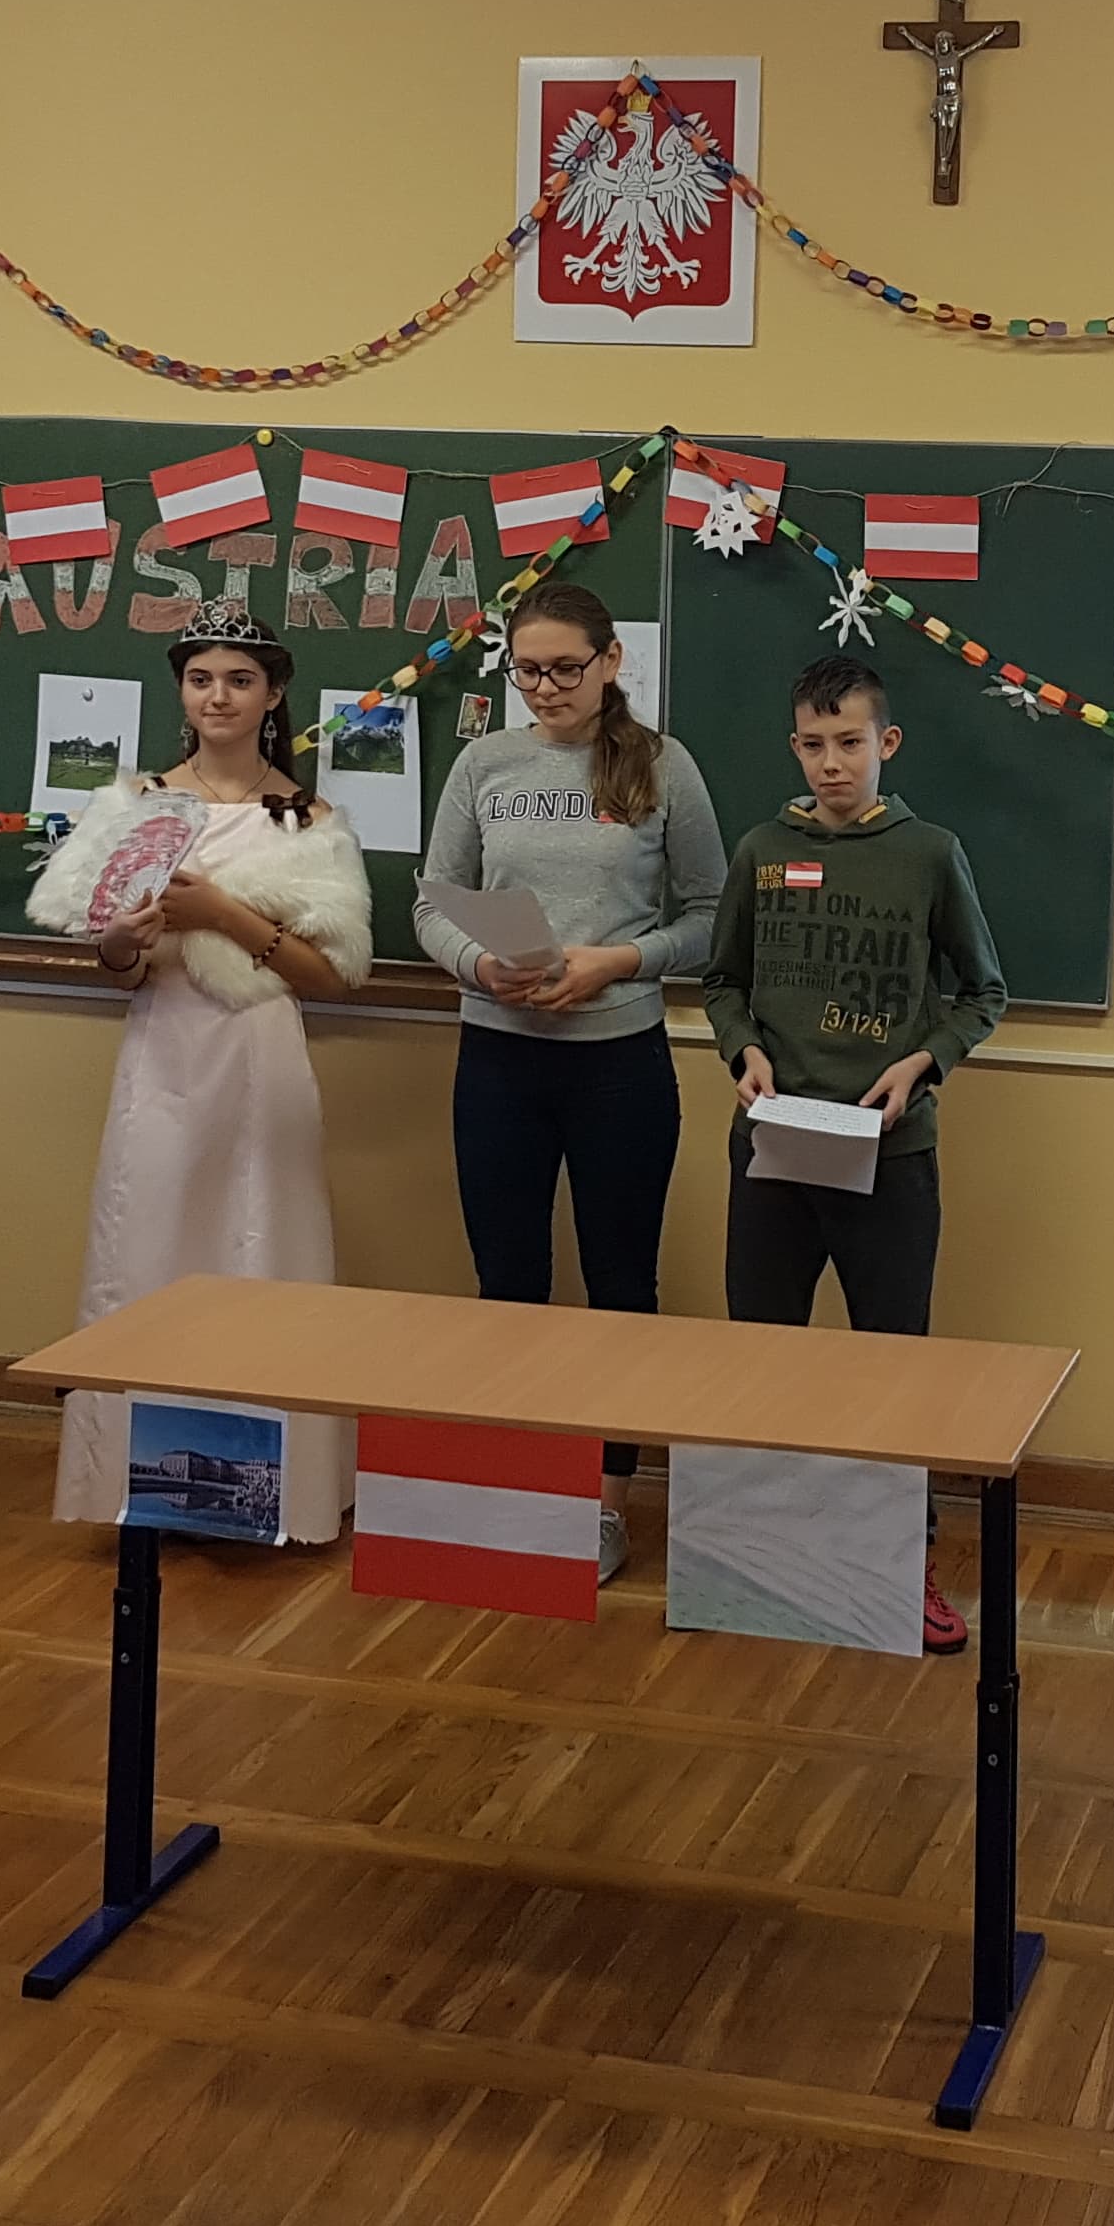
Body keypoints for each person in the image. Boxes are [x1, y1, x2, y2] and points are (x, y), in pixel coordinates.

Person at [415, 579, 728, 1578]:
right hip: (497, 1059)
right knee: (507, 1283)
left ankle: (603, 1504)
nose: (545, 688)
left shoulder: (663, 766)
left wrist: (619, 962)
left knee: (620, 1286)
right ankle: (518, 1491)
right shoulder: (485, 763)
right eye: (527, 672)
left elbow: (713, 916)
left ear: (611, 662)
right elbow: (432, 902)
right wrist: (478, 965)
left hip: (618, 1063)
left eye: (564, 669)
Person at [702, 655, 1008, 1652]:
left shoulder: (928, 854)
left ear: (888, 744)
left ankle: (899, 1566)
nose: (832, 763)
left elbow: (984, 993)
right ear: (794, 748)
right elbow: (723, 983)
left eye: (850, 744)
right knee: (763, 1360)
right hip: (775, 1151)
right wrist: (742, 1052)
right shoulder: (761, 850)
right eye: (813, 745)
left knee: (891, 1369)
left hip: (890, 1154)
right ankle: (762, 1561)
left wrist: (924, 1061)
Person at [28, 595, 373, 1320]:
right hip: (164, 1053)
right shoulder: (137, 805)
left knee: (260, 1231)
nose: (219, 696)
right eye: (201, 679)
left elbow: (333, 979)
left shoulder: (307, 819)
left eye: (240, 680)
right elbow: (120, 970)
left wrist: (224, 917)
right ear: (182, 689)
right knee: (149, 1227)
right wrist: (121, 944)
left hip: (259, 1055)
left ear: (273, 694)